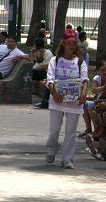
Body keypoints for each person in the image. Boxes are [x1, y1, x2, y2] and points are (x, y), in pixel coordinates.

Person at [45, 29, 89, 169]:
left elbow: (85, 79)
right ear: (63, 43)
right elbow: (50, 78)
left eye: (74, 43)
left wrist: (84, 93)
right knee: (54, 129)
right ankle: (51, 150)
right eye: (69, 43)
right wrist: (53, 93)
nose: (71, 46)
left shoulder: (80, 62)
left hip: (74, 103)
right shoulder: (55, 60)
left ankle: (67, 159)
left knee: (70, 132)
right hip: (57, 100)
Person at [81, 60, 106, 140]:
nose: (105, 72)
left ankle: (100, 130)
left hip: (102, 101)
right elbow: (94, 90)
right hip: (100, 99)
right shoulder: (97, 78)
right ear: (98, 71)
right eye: (102, 70)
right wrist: (103, 87)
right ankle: (90, 128)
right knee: (84, 104)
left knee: (96, 107)